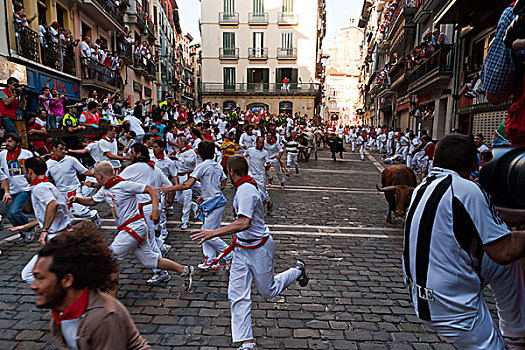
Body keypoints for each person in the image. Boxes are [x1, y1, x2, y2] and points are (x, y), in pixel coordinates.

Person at [404, 134, 525, 349]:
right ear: (474, 163)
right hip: (451, 306)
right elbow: (504, 250)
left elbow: (487, 214)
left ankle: (516, 335)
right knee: (505, 258)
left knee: (505, 268)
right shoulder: (468, 190)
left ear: (434, 161)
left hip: (424, 292)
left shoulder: (424, 187)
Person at [190, 155, 309, 350]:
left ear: (231, 172)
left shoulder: (245, 190)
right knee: (237, 294)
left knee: (268, 291)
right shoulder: (248, 186)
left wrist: (212, 232)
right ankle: (247, 342)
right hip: (242, 248)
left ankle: (297, 271)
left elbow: (244, 222)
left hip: (259, 249)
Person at [69, 161, 196, 294]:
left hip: (133, 228)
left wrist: (155, 210)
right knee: (151, 261)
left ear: (100, 176)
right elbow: (92, 201)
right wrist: (76, 199)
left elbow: (151, 189)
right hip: (131, 228)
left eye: (95, 176)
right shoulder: (105, 189)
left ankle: (111, 301)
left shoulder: (123, 185)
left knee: (110, 259)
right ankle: (185, 270)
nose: (94, 179)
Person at [29, 223, 152, 349]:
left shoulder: (103, 318)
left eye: (40, 278)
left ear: (67, 280)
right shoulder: (61, 310)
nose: (32, 286)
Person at [161, 141, 232, 270]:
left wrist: (170, 188)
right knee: (209, 232)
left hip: (212, 204)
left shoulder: (202, 166)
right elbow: (222, 184)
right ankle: (210, 259)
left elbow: (188, 185)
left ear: (200, 152)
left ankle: (228, 253)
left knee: (207, 234)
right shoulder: (217, 166)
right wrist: (205, 195)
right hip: (216, 201)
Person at [10, 157, 74, 283]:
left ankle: (59, 297)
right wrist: (25, 226)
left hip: (57, 237)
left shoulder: (40, 188)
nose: (23, 174)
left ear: (30, 171)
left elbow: (52, 205)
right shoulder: (46, 185)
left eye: (24, 170)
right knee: (64, 273)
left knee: (28, 274)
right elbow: (48, 214)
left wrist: (44, 230)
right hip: (62, 235)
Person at [120, 143, 172, 286]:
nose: (129, 155)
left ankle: (161, 272)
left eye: (132, 152)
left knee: (149, 241)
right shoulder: (156, 169)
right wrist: (164, 203)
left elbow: (116, 182)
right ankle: (162, 246)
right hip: (155, 206)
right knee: (150, 235)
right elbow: (168, 186)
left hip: (146, 208)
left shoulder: (133, 168)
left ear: (138, 154)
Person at [46, 140, 101, 227]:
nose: (64, 151)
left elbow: (85, 172)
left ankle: (94, 215)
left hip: (74, 189)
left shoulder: (71, 160)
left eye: (64, 149)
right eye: (61, 149)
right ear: (54, 149)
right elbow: (45, 179)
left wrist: (99, 174)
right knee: (61, 213)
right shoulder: (48, 164)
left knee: (80, 211)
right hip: (60, 192)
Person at [0, 133, 33, 243]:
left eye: (10, 141)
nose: (7, 144)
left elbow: (33, 168)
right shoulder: (2, 155)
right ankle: (23, 233)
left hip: (24, 187)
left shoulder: (26, 154)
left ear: (18, 143)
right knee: (10, 215)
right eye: (7, 141)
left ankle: (30, 228)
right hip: (9, 189)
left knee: (15, 211)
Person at [173, 136, 198, 229]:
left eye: (178, 142)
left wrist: (178, 159)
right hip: (179, 177)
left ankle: (185, 221)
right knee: (179, 198)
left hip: (188, 176)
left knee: (187, 199)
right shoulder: (178, 153)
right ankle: (194, 205)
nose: (177, 144)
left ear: (183, 143)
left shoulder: (190, 152)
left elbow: (191, 162)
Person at [245, 136, 272, 214]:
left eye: (263, 143)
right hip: (250, 174)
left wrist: (267, 166)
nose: (261, 144)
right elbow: (244, 156)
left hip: (260, 175)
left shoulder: (265, 153)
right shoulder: (250, 150)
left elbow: (268, 163)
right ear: (256, 142)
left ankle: (267, 203)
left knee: (262, 193)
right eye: (260, 142)